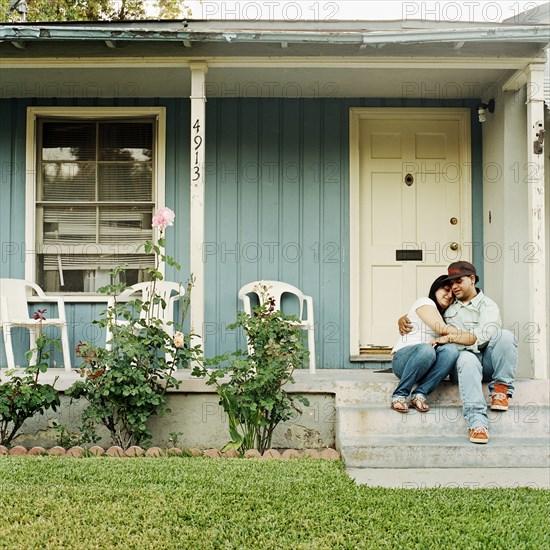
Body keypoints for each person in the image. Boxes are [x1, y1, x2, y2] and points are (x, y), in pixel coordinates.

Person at [399, 261, 518, 444]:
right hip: (462, 366)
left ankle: (501, 388)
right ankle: (477, 422)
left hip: (486, 363)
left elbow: (483, 336)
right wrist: (404, 319)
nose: (453, 287)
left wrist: (452, 338)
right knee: (466, 358)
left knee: (505, 336)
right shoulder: (448, 307)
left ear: (471, 279)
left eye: (458, 281)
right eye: (451, 283)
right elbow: (428, 318)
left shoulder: (489, 306)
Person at [390, 275, 477, 414]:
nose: (449, 295)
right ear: (435, 289)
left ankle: (420, 395)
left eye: (452, 294)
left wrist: (463, 338)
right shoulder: (424, 302)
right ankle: (399, 395)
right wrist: (468, 336)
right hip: (403, 361)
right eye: (445, 290)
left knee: (451, 350)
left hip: (427, 365)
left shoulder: (444, 315)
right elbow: (441, 328)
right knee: (427, 349)